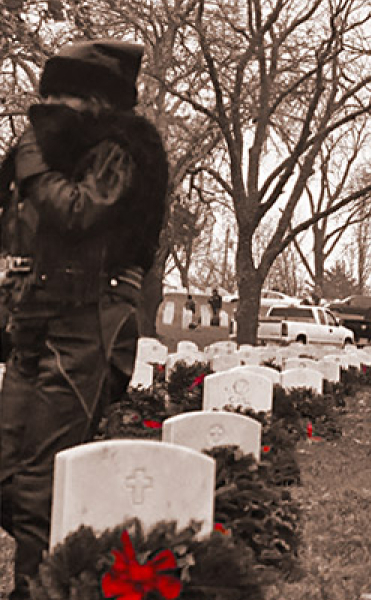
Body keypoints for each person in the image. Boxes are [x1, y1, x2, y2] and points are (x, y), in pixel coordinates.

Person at [0, 39, 169, 600]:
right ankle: (78, 564)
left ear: (95, 100)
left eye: (61, 96)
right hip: (35, 322)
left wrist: (30, 162)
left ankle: (37, 590)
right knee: (8, 475)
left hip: (84, 324)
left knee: (40, 482)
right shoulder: (55, 152)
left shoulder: (119, 150)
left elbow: (78, 212)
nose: (47, 107)